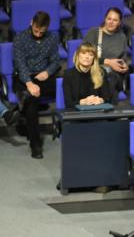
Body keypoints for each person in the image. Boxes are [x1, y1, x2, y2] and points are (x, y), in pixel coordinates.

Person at [13, 11, 60, 159]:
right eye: (36, 30)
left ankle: (24, 99)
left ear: (47, 28)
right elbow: (20, 65)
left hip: (43, 77)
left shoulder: (52, 37)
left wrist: (47, 71)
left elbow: (55, 61)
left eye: (42, 31)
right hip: (24, 77)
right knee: (32, 101)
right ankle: (35, 143)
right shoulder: (20, 38)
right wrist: (29, 83)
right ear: (31, 23)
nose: (39, 34)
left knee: (61, 85)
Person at [83, 7, 129, 93]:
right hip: (94, 71)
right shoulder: (94, 33)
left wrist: (124, 66)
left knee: (112, 79)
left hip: (113, 75)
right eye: (109, 19)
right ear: (105, 19)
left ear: (119, 23)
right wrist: (107, 61)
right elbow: (83, 56)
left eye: (115, 20)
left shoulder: (122, 37)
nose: (111, 22)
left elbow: (123, 59)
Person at [63, 42, 113, 108]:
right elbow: (68, 104)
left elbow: (108, 98)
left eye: (91, 54)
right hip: (77, 113)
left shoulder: (101, 72)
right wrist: (84, 102)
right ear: (77, 55)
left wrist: (101, 100)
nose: (87, 57)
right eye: (83, 53)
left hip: (98, 111)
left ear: (94, 58)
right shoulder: (68, 74)